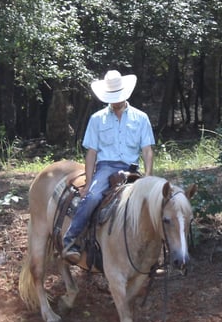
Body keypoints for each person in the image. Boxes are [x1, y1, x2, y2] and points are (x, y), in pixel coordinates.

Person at [62, 70, 155, 263]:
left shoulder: (141, 118)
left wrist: (148, 175)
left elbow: (147, 150)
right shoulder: (97, 119)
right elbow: (91, 153)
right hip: (106, 167)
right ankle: (71, 240)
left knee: (155, 203)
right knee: (93, 197)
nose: (115, 101)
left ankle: (152, 253)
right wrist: (88, 183)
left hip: (131, 168)